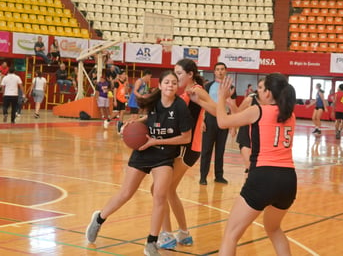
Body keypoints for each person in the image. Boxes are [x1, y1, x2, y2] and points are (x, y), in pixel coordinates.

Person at [85, 71, 193, 256]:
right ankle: (99, 219)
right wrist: (132, 124)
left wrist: (156, 141)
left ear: (177, 87)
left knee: (160, 196)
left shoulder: (180, 107)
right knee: (126, 193)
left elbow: (186, 137)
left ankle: (151, 241)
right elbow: (149, 119)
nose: (170, 85)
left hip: (164, 156)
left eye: (174, 83)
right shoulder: (153, 102)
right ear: (160, 85)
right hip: (144, 150)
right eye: (166, 82)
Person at [216, 73, 297, 256]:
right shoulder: (290, 115)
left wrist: (221, 98)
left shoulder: (259, 110)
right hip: (288, 180)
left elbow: (222, 122)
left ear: (269, 93)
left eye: (261, 88)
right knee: (274, 229)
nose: (257, 92)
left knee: (230, 235)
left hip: (264, 177)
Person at [157, 58, 216, 250]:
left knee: (160, 190)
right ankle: (183, 233)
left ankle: (166, 235)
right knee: (169, 190)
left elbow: (216, 110)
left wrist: (200, 101)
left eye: (179, 73)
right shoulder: (186, 93)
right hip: (189, 148)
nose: (176, 76)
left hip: (187, 148)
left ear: (190, 74)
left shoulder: (196, 90)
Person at [199, 62, 235, 185]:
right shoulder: (208, 86)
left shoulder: (230, 87)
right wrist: (202, 120)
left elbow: (232, 107)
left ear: (226, 71)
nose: (220, 71)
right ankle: (203, 177)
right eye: (217, 69)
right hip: (210, 119)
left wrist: (232, 125)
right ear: (214, 72)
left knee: (220, 150)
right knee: (206, 150)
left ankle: (219, 176)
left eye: (222, 69)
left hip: (224, 120)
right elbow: (202, 104)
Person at [235, 79, 263, 175]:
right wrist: (233, 127)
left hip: (261, 134)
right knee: (250, 167)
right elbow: (238, 113)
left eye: (262, 87)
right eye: (259, 87)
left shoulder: (272, 102)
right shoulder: (250, 99)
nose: (260, 90)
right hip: (246, 132)